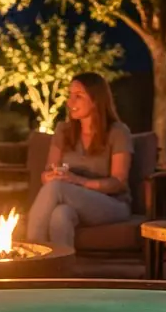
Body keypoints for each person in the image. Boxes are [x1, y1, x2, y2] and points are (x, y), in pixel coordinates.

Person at [26, 73, 132, 246]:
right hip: (71, 199)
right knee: (60, 215)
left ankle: (32, 253)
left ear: (96, 100)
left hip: (112, 204)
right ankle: (61, 269)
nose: (70, 102)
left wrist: (76, 180)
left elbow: (118, 182)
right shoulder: (63, 131)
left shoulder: (118, 132)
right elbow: (46, 175)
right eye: (70, 96)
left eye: (78, 97)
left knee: (57, 188)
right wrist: (51, 176)